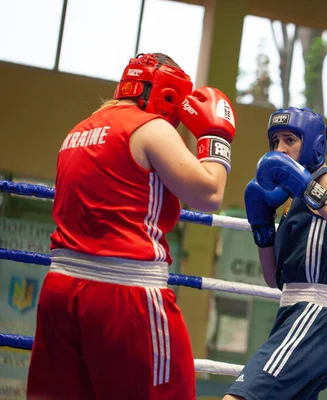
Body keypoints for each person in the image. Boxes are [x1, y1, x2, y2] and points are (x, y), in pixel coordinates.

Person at [27, 53, 236, 400]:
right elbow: (209, 193)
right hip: (125, 296)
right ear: (169, 96)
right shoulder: (150, 128)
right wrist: (217, 136)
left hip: (60, 292)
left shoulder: (79, 131)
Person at [225, 107, 327, 400]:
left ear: (314, 143)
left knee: (240, 397)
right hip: (292, 309)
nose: (280, 149)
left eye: (290, 139)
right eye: (275, 141)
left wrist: (309, 188)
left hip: (315, 313)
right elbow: (272, 278)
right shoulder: (290, 200)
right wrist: (262, 226)